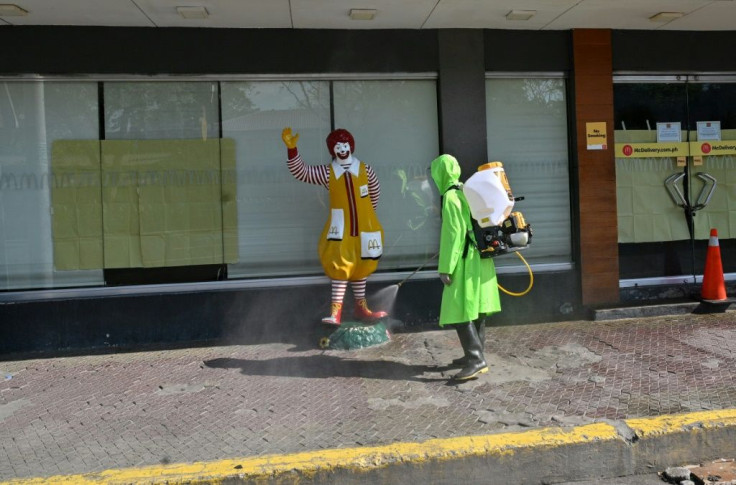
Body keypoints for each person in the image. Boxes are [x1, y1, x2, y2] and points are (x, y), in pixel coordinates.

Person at [281, 127, 387, 325]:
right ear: (332, 150)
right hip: (341, 229)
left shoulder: (365, 169)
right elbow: (302, 172)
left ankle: (360, 308)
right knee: (340, 264)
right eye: (338, 146)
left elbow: (375, 192)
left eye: (345, 145)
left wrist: (367, 217)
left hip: (365, 228)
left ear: (351, 146)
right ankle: (335, 312)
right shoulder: (328, 172)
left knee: (362, 265)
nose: (342, 149)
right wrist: (292, 149)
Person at [430, 154, 501, 381]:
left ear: (440, 173)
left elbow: (454, 236)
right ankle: (474, 352)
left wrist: (445, 268)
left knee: (459, 308)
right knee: (477, 308)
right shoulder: (467, 189)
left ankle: (476, 360)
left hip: (465, 260)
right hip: (482, 258)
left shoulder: (450, 197)